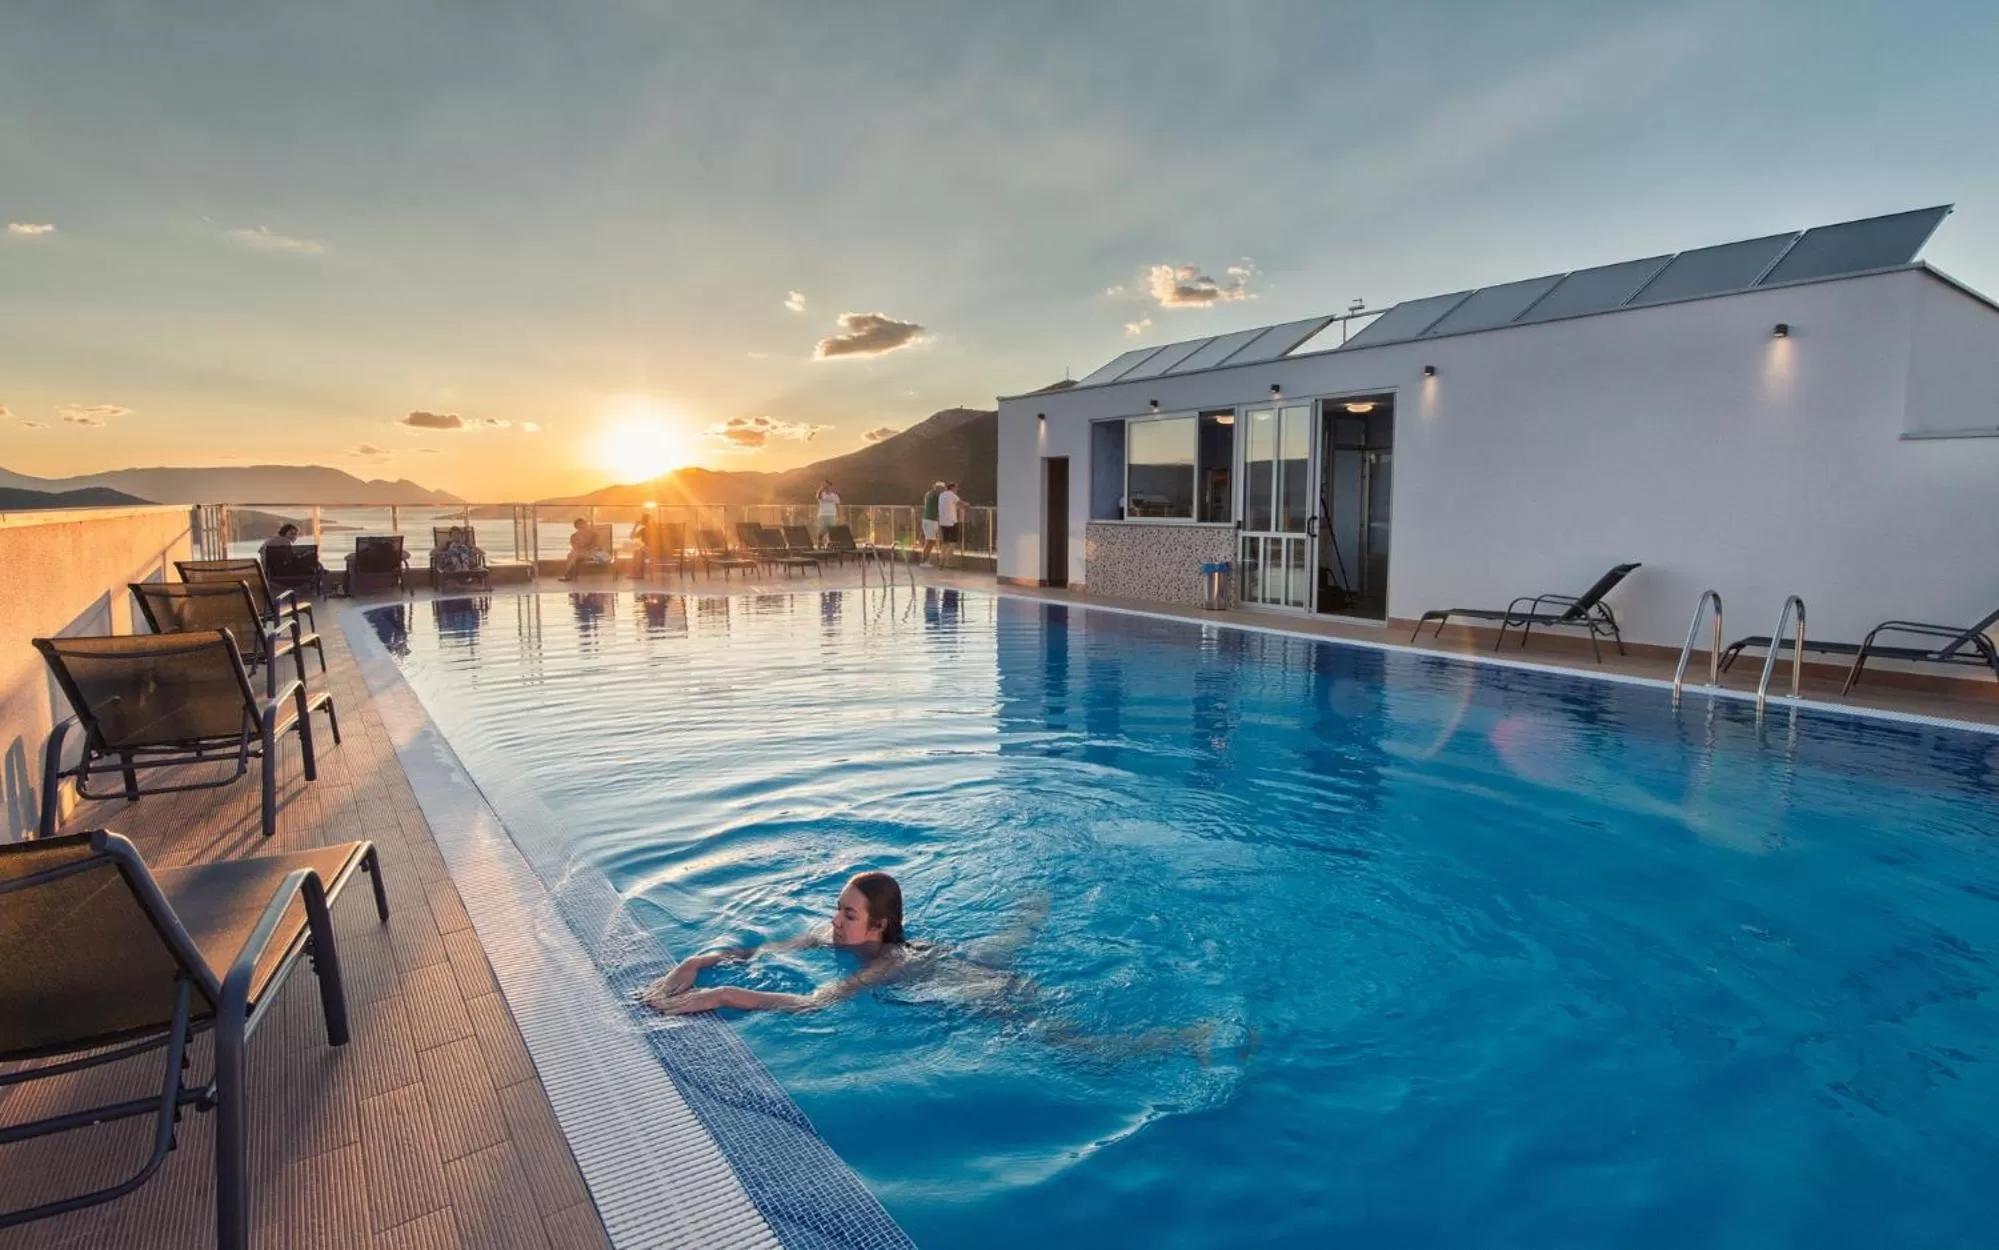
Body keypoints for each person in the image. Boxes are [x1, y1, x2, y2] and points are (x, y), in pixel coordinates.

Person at [643, 872, 910, 1014]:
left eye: (849, 915)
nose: (835, 921)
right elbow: (758, 952)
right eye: (838, 909)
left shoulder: (888, 963)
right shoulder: (828, 936)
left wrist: (723, 995)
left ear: (878, 925)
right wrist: (697, 962)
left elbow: (813, 1004)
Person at [559, 517, 608, 581]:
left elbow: (598, 545)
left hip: (592, 553)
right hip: (581, 553)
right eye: (579, 526)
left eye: (582, 525)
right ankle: (569, 574)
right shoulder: (574, 536)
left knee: (574, 555)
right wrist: (581, 547)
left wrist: (588, 547)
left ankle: (568, 574)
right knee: (573, 555)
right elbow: (574, 546)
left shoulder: (594, 534)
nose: (582, 528)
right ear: (576, 527)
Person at [936, 481, 963, 566]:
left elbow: (949, 505)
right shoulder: (952, 495)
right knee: (953, 542)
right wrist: (967, 505)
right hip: (951, 522)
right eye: (956, 487)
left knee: (945, 542)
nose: (958, 489)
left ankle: (941, 560)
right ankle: (947, 561)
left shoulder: (942, 495)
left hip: (943, 522)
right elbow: (961, 503)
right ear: (952, 488)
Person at [919, 482, 943, 563]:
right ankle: (924, 560)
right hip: (931, 520)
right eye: (941, 489)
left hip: (927, 519)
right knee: (930, 541)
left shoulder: (928, 494)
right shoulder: (936, 496)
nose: (942, 491)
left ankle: (925, 559)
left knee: (930, 541)